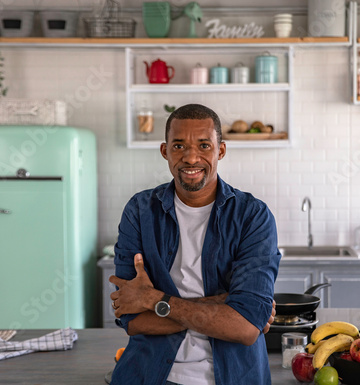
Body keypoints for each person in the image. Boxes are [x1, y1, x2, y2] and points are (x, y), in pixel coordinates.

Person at [109, 104, 281, 385]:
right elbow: (134, 321)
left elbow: (246, 329)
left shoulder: (253, 216)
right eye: (179, 146)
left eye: (204, 145)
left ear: (220, 151)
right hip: (149, 376)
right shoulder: (140, 211)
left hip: (235, 377)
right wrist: (224, 306)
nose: (191, 158)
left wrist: (153, 300)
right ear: (165, 151)